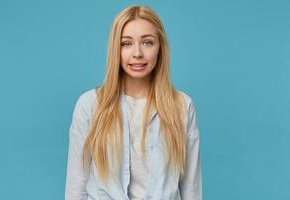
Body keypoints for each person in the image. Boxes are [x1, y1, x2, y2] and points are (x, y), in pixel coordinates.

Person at [65, 5, 202, 200]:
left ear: (160, 48)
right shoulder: (90, 105)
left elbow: (191, 188)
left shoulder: (182, 106)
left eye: (147, 42)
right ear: (115, 49)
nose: (137, 53)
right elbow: (76, 185)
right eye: (126, 43)